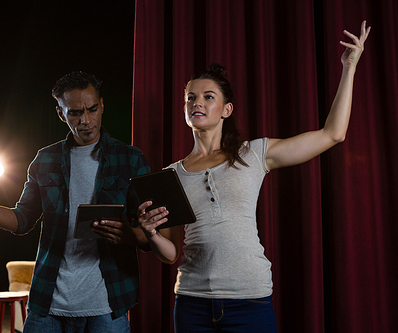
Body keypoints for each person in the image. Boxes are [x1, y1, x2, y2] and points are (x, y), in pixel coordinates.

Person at [137, 21, 371, 332]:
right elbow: (169, 256)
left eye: (208, 97)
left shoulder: (254, 154)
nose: (197, 103)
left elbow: (333, 134)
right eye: (191, 97)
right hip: (192, 303)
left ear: (226, 109)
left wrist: (349, 67)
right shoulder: (170, 175)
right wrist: (152, 234)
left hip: (249, 301)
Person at [0, 71, 151, 333]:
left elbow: (148, 235)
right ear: (60, 113)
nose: (86, 120)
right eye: (76, 113)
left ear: (102, 105)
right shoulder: (45, 160)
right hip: (48, 305)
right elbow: (21, 221)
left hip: (107, 305)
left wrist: (129, 233)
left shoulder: (131, 159)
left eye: (92, 109)